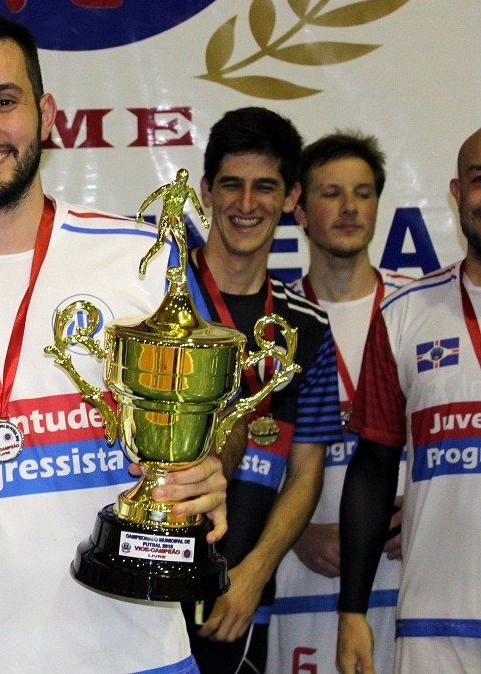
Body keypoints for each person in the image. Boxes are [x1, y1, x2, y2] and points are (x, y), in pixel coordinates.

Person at [0, 13, 228, 672]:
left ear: (46, 113)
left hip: (138, 653)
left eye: (4, 101)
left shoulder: (144, 259)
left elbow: (209, 423)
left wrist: (204, 473)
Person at [179, 107, 341, 672]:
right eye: (232, 185)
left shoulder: (309, 330)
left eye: (265, 187)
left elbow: (305, 471)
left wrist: (254, 572)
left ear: (292, 197)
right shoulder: (157, 306)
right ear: (206, 191)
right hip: (142, 596)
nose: (246, 205)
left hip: (241, 605)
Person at [337, 126, 481, 673]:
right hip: (433, 623)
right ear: (455, 192)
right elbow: (372, 467)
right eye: (479, 180)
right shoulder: (405, 313)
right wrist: (353, 610)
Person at [268, 132, 410, 674]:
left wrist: (416, 512)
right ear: (299, 208)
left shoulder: (415, 309)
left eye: (364, 192)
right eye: (332, 193)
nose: (351, 208)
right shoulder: (274, 321)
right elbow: (247, 460)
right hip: (301, 572)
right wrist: (294, 531)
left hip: (406, 572)